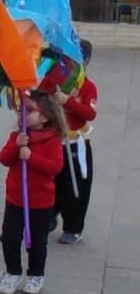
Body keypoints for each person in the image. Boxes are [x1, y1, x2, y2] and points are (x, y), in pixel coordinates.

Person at [0, 90, 65, 294]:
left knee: (37, 241)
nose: (22, 114)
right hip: (15, 199)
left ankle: (36, 273)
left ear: (45, 116)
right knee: (9, 237)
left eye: (29, 110)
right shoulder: (17, 136)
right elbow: (4, 158)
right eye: (21, 109)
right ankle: (12, 271)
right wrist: (16, 147)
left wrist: (31, 157)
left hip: (40, 202)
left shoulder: (52, 140)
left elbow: (55, 167)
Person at [52, 40, 96, 244]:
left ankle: (73, 226)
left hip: (76, 143)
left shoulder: (88, 86)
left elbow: (90, 113)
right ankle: (49, 216)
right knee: (51, 183)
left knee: (76, 186)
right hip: (55, 141)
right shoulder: (55, 83)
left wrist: (68, 101)